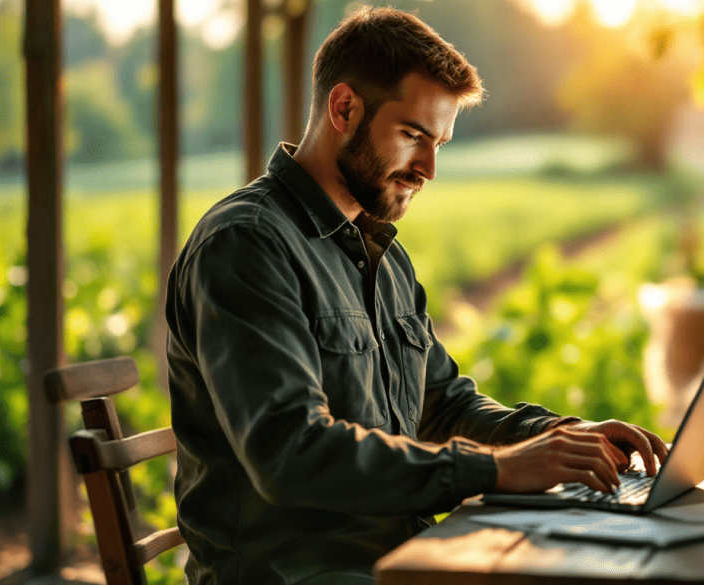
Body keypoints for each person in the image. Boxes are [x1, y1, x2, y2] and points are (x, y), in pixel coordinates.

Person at [165, 6, 669, 584]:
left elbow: (444, 406)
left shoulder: (384, 255)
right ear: (344, 108)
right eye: (413, 136)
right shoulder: (247, 245)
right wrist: (496, 470)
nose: (428, 168)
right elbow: (290, 453)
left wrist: (557, 439)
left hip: (405, 556)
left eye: (440, 143)